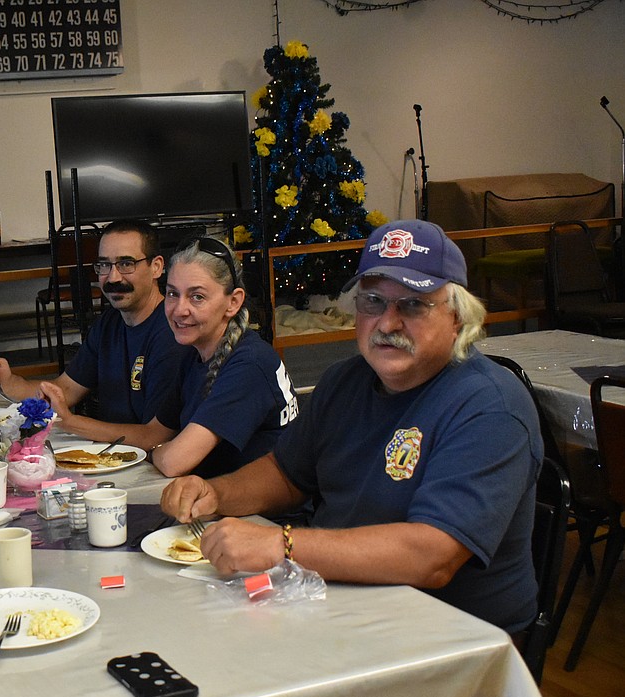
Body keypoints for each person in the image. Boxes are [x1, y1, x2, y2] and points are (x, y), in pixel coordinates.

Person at [161, 219, 543, 634]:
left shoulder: (489, 406)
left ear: (458, 317)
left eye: (413, 304)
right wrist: (215, 493)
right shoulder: (345, 381)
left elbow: (431, 556)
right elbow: (287, 474)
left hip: (451, 638)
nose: (388, 322)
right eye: (373, 302)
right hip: (339, 604)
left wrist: (279, 545)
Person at [43, 237, 298, 478]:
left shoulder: (249, 363)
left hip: (264, 519)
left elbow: (174, 460)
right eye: (173, 293)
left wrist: (159, 451)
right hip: (219, 499)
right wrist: (71, 421)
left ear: (233, 302)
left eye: (197, 297)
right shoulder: (191, 354)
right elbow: (155, 435)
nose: (179, 310)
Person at [0, 219, 193, 424]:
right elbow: (65, 390)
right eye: (104, 265)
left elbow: (155, 437)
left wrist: (72, 423)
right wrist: (8, 381)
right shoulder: (109, 323)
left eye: (126, 264)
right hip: (110, 453)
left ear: (156, 267)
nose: (114, 277)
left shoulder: (172, 332)